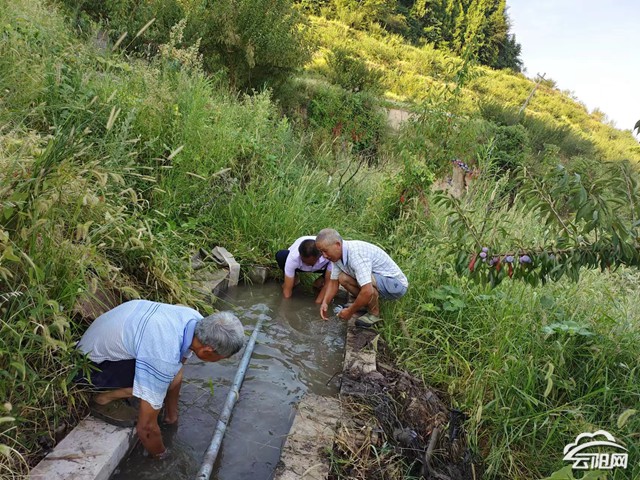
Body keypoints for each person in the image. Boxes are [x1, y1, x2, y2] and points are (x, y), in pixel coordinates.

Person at [75, 300, 245, 459]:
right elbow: (146, 428)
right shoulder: (163, 355)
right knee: (160, 381)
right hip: (87, 369)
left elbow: (178, 366)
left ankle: (156, 404)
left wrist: (172, 416)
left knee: (167, 376)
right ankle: (103, 397)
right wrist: (162, 456)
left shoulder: (194, 320)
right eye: (220, 358)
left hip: (102, 345)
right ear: (207, 350)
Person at [315, 228, 408, 327]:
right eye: (321, 252)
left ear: (337, 245)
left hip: (395, 284)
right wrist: (325, 302)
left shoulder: (356, 255)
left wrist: (350, 312)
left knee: (364, 281)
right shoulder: (336, 257)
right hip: (378, 281)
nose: (324, 256)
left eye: (325, 251)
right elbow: (334, 282)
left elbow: (367, 290)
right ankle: (365, 304)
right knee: (342, 278)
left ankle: (374, 314)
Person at [275, 236, 332, 303]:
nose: (308, 265)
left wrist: (317, 305)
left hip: (322, 267)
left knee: (321, 284)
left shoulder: (328, 254)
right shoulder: (293, 257)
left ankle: (320, 280)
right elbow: (287, 292)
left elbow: (328, 284)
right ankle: (294, 279)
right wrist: (285, 305)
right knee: (281, 255)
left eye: (311, 262)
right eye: (305, 262)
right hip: (299, 267)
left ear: (319, 256)